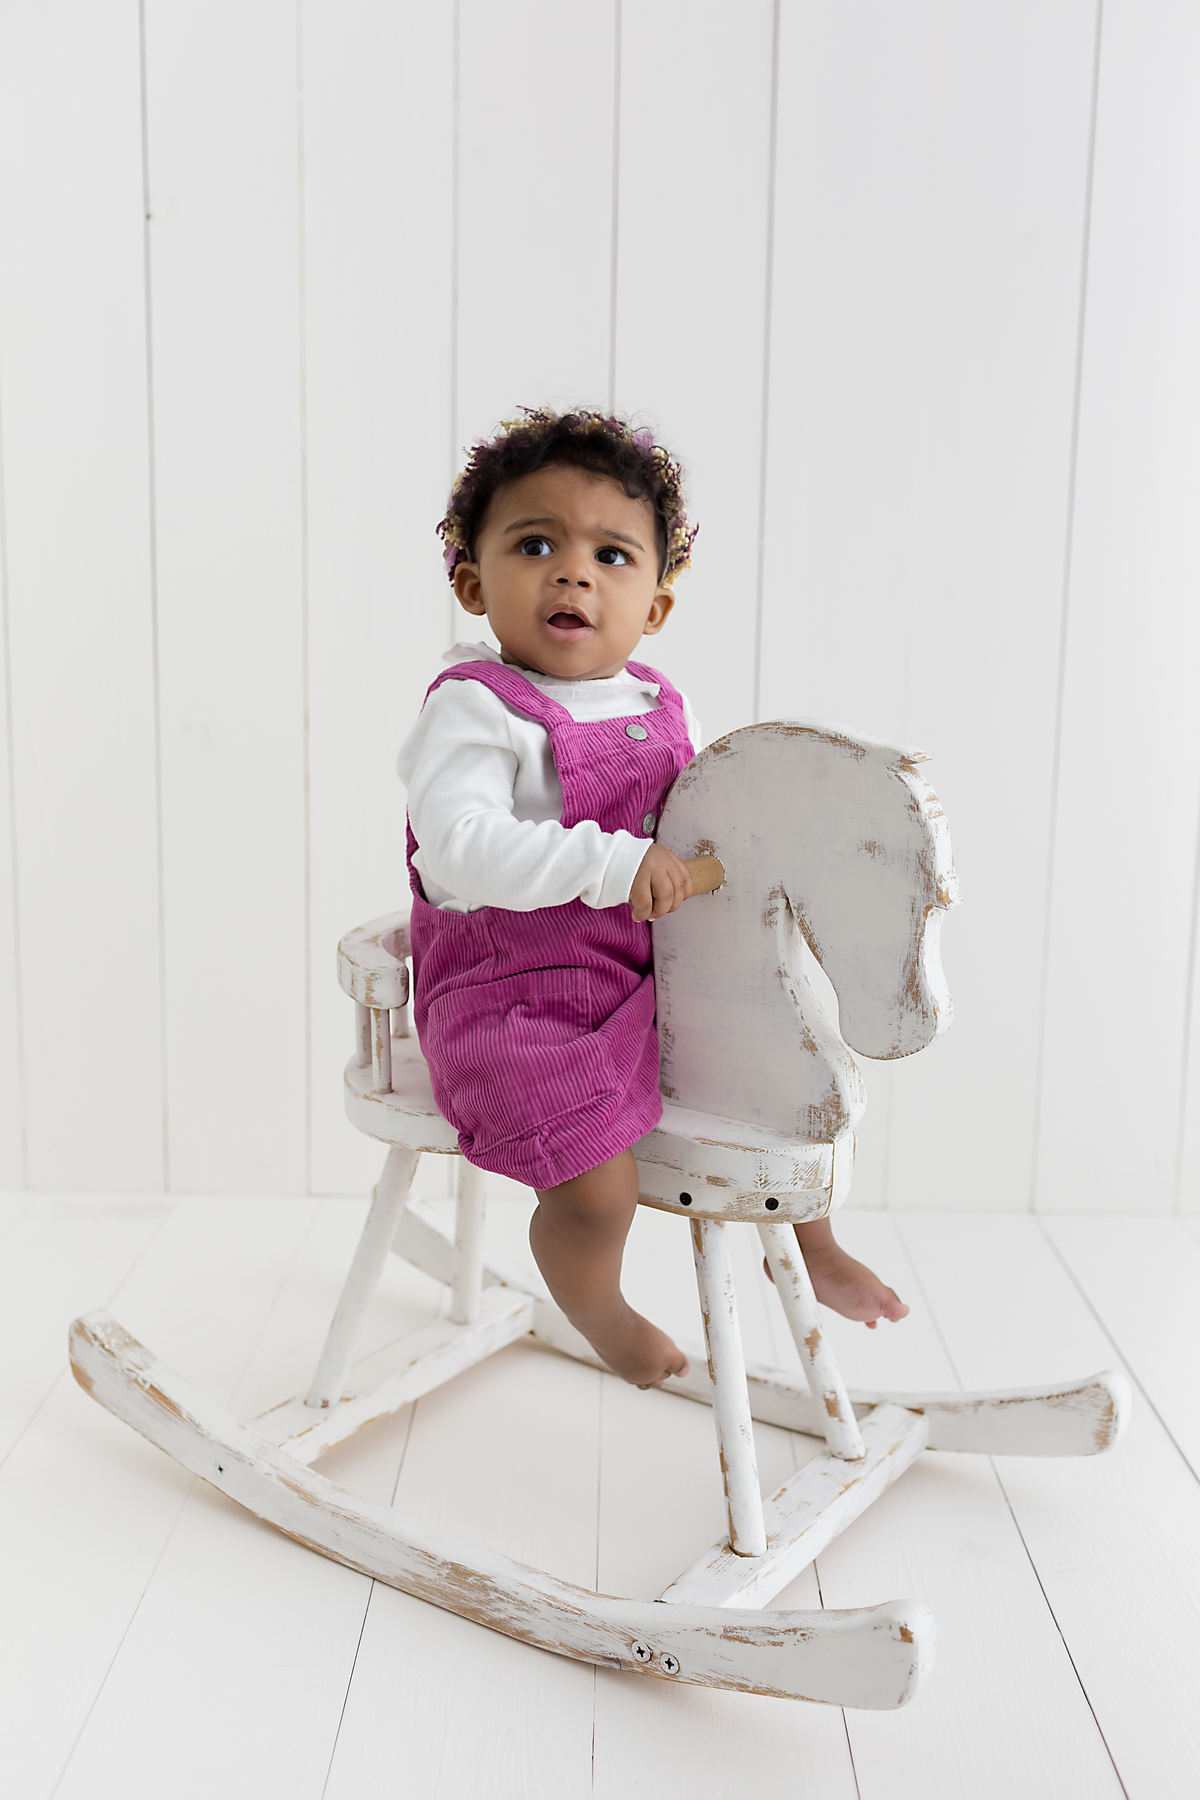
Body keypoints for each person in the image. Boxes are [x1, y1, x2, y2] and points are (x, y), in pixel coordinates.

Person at [398, 409, 907, 1389]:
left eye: (613, 554)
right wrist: (613, 866)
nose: (574, 573)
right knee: (597, 1188)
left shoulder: (659, 704)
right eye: (535, 543)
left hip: (641, 971)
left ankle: (816, 1242)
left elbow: (710, 822)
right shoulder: (475, 707)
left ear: (656, 606)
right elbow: (458, 851)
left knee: (781, 1069)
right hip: (514, 1000)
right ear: (473, 582)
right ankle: (600, 1306)